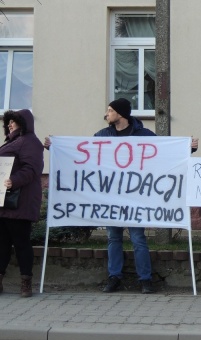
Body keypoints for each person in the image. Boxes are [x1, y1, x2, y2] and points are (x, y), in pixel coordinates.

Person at [44, 98, 159, 294]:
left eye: (110, 110)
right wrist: (54, 148)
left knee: (138, 238)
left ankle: (145, 280)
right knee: (113, 238)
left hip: (134, 197)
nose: (106, 114)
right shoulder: (103, 135)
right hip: (110, 198)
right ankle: (114, 277)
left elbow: (165, 151)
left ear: (121, 113)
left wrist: (188, 147)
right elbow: (82, 154)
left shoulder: (143, 134)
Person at [0, 110, 44, 298]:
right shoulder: (13, 142)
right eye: (8, 122)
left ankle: (26, 283)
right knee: (1, 244)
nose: (9, 124)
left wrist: (14, 181)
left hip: (20, 202)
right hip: (5, 202)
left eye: (13, 122)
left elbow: (32, 169)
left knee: (21, 243)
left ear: (23, 123)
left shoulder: (30, 141)